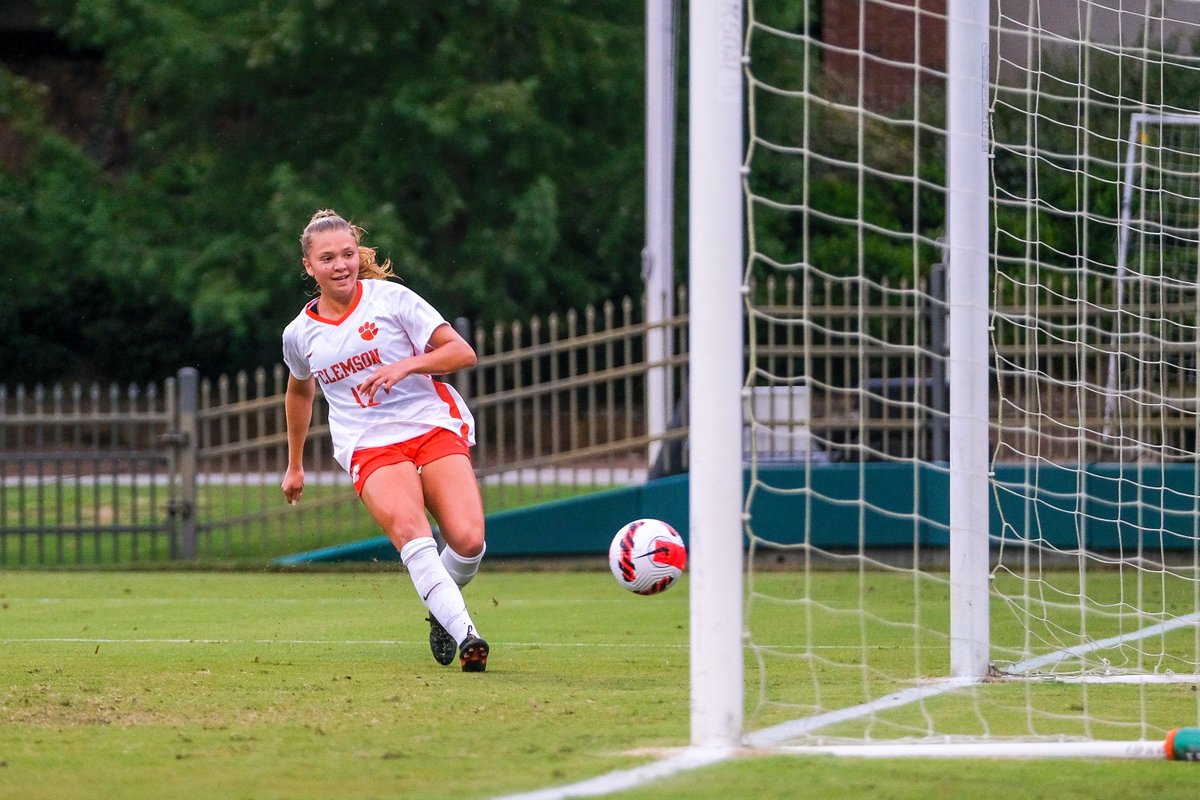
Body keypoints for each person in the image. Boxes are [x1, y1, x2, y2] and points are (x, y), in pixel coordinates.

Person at [280, 209, 489, 673]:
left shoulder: (392, 300)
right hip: (368, 443)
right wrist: (295, 464)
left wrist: (406, 365)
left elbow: (462, 352)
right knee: (412, 533)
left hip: (430, 424)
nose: (341, 265)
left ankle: (441, 611)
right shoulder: (299, 334)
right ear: (309, 267)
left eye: (348, 254)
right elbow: (300, 389)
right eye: (328, 258)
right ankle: (467, 632)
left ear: (359, 256)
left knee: (469, 540)